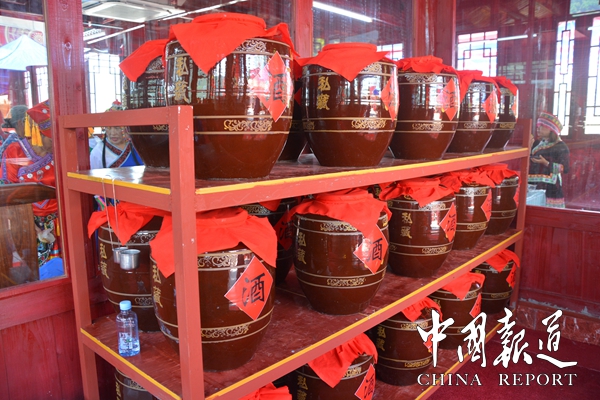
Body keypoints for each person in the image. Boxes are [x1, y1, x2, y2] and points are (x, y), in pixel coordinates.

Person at [0, 100, 63, 279]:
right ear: (38, 133)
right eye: (51, 138)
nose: (55, 142)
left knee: (61, 270)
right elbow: (8, 192)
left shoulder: (59, 152)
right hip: (26, 224)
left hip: (59, 223)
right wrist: (32, 226)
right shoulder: (14, 152)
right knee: (31, 272)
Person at [528, 111, 570, 208]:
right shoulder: (537, 143)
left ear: (551, 129)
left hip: (550, 187)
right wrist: (528, 149)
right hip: (533, 184)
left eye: (542, 126)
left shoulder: (561, 146)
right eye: (538, 125)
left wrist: (546, 163)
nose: (538, 128)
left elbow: (564, 168)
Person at [89, 100, 143, 169]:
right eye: (108, 128)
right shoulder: (98, 152)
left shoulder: (135, 145)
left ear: (126, 128)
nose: (113, 133)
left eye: (117, 128)